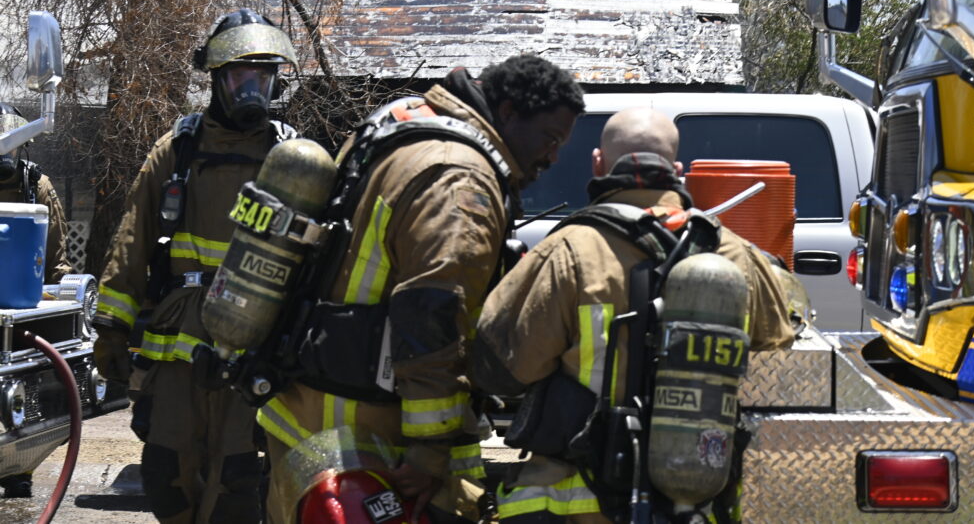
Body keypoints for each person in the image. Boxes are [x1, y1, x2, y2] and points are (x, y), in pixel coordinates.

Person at [258, 55, 585, 524]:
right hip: (370, 440)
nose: (552, 157)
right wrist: (430, 450)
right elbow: (431, 320)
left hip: (309, 413)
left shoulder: (404, 125)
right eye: (550, 139)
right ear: (509, 112)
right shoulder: (459, 182)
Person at [472, 106, 796, 524]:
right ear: (676, 170)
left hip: (576, 503)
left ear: (598, 163)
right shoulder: (733, 252)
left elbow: (502, 370)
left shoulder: (568, 250)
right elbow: (778, 361)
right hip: (694, 504)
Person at [92, 9, 300, 523]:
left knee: (240, 480)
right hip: (177, 343)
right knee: (168, 475)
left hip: (255, 346)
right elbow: (133, 239)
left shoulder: (291, 158)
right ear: (216, 80)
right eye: (239, 78)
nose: (251, 90)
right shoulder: (177, 151)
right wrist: (111, 329)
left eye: (261, 78)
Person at [0, 102, 73, 499]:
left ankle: (18, 468)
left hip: (20, 310)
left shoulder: (36, 186)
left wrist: (57, 305)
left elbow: (56, 259)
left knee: (24, 391)